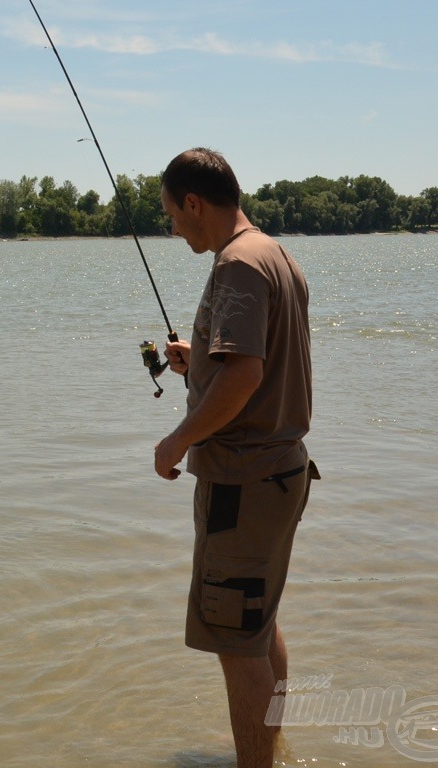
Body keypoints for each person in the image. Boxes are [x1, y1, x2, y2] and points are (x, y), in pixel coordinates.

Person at [153, 147, 316, 768]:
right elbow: (253, 363)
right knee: (257, 627)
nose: (171, 227)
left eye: (171, 213)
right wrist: (201, 359)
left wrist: (179, 438)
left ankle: (256, 763)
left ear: (194, 203)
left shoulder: (237, 265)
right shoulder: (273, 253)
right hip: (280, 472)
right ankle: (267, 753)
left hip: (243, 483)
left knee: (236, 640)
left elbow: (245, 376)